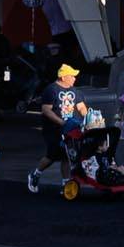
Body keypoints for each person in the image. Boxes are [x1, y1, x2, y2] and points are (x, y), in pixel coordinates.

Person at [26, 63, 88, 195]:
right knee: (52, 155)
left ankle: (65, 182)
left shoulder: (75, 91)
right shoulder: (51, 90)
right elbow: (46, 110)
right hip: (54, 129)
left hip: (71, 129)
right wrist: (62, 123)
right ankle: (35, 174)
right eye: (72, 76)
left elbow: (82, 107)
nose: (74, 79)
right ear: (64, 77)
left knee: (67, 155)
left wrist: (87, 118)